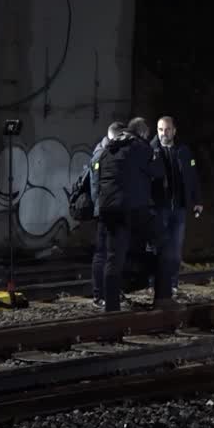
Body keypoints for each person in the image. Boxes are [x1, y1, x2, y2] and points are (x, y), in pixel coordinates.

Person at [95, 117, 168, 311]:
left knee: (113, 258)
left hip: (108, 210)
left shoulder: (107, 150)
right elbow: (158, 172)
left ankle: (111, 308)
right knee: (163, 243)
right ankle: (163, 297)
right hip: (133, 208)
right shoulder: (140, 147)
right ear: (143, 133)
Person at [150, 116, 202, 294]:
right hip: (159, 208)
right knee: (158, 249)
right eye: (161, 129)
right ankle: (155, 284)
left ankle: (172, 284)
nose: (164, 133)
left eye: (167, 129)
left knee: (176, 250)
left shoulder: (183, 151)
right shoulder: (151, 151)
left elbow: (193, 177)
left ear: (174, 131)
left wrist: (197, 201)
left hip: (179, 208)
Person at [89, 121, 126, 309]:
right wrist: (100, 207)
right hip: (104, 211)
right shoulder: (101, 154)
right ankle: (98, 295)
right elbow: (95, 185)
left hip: (107, 209)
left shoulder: (105, 152)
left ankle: (108, 291)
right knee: (102, 253)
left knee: (109, 253)